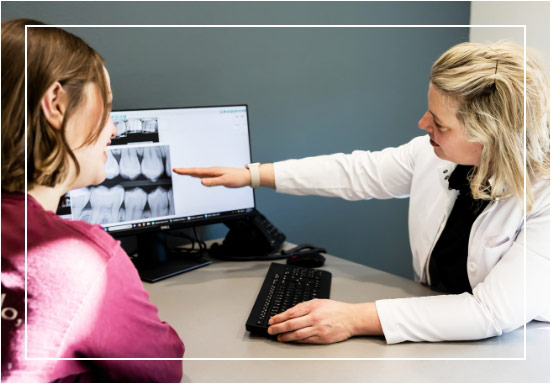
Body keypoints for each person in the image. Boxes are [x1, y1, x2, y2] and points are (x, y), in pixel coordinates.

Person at [174, 41, 550, 344]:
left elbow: (489, 313)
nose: (422, 125)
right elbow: (358, 172)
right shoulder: (435, 155)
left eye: (438, 123)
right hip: (435, 324)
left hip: (517, 349)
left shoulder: (544, 195)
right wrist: (253, 175)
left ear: (491, 135)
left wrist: (354, 317)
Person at [1, 19, 184, 381]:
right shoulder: (77, 257)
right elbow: (162, 368)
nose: (113, 129)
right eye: (108, 106)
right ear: (56, 103)